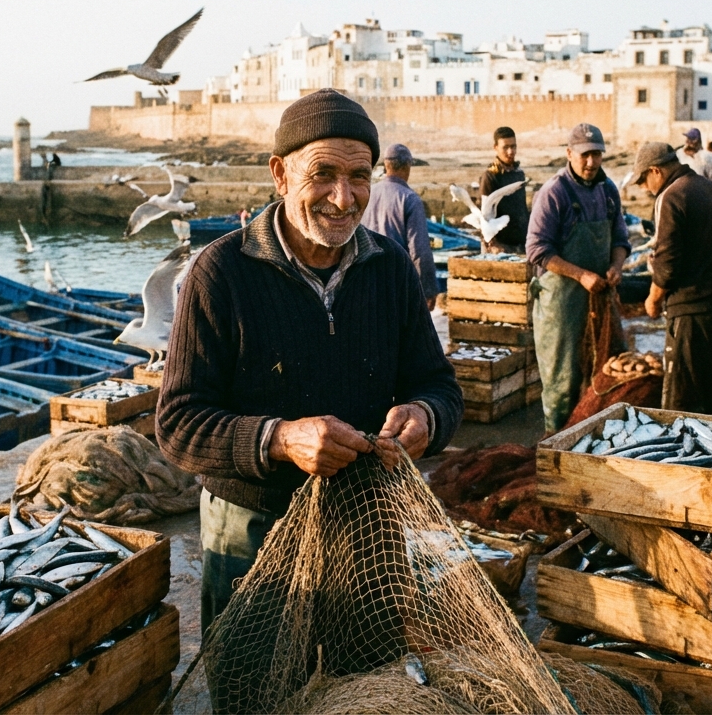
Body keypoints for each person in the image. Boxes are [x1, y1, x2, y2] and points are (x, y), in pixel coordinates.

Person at [157, 89, 463, 629]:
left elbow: (439, 387)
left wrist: (425, 418)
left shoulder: (390, 268)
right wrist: (279, 439)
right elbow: (179, 423)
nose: (344, 199)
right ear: (280, 174)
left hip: (368, 518)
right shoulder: (220, 272)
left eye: (360, 177)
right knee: (255, 689)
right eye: (322, 174)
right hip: (253, 530)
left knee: (363, 682)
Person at [526, 123, 630, 432]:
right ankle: (555, 442)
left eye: (596, 154)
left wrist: (616, 265)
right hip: (562, 304)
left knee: (607, 371)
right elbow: (536, 249)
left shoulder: (608, 190)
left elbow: (621, 240)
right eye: (584, 155)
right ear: (570, 154)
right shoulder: (554, 193)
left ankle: (599, 442)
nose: (590, 162)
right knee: (564, 380)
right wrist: (581, 274)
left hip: (599, 299)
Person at [633, 143, 712, 414]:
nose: (645, 189)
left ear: (655, 171)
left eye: (643, 181)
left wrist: (653, 299)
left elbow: (667, 263)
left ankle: (680, 458)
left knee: (682, 405)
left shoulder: (671, 196)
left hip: (695, 313)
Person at [363, 143, 440, 309]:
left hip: (365, 283)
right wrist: (428, 289)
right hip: (396, 285)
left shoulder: (368, 193)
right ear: (407, 166)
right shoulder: (409, 199)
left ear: (386, 165)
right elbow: (419, 251)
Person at [478, 127, 529, 251]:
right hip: (500, 247)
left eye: (513, 146)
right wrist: (493, 244)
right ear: (495, 147)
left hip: (521, 243)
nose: (511, 151)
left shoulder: (519, 174)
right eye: (505, 147)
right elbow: (484, 217)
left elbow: (521, 209)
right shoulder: (490, 177)